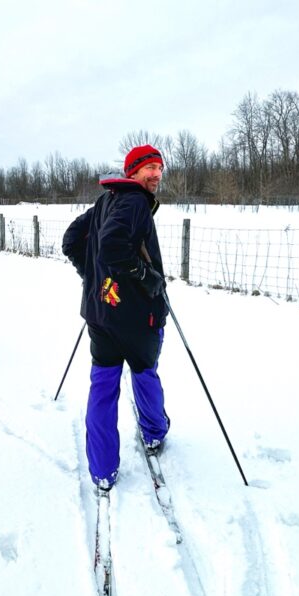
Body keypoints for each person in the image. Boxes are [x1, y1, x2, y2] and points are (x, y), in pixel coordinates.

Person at [62, 144, 170, 491]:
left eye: (159, 168)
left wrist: (93, 279)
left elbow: (72, 241)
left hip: (101, 314)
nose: (155, 174)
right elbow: (110, 247)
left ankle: (102, 469)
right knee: (145, 372)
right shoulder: (135, 201)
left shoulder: (105, 201)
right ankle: (154, 432)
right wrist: (147, 277)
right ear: (132, 172)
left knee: (104, 386)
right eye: (148, 168)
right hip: (138, 318)